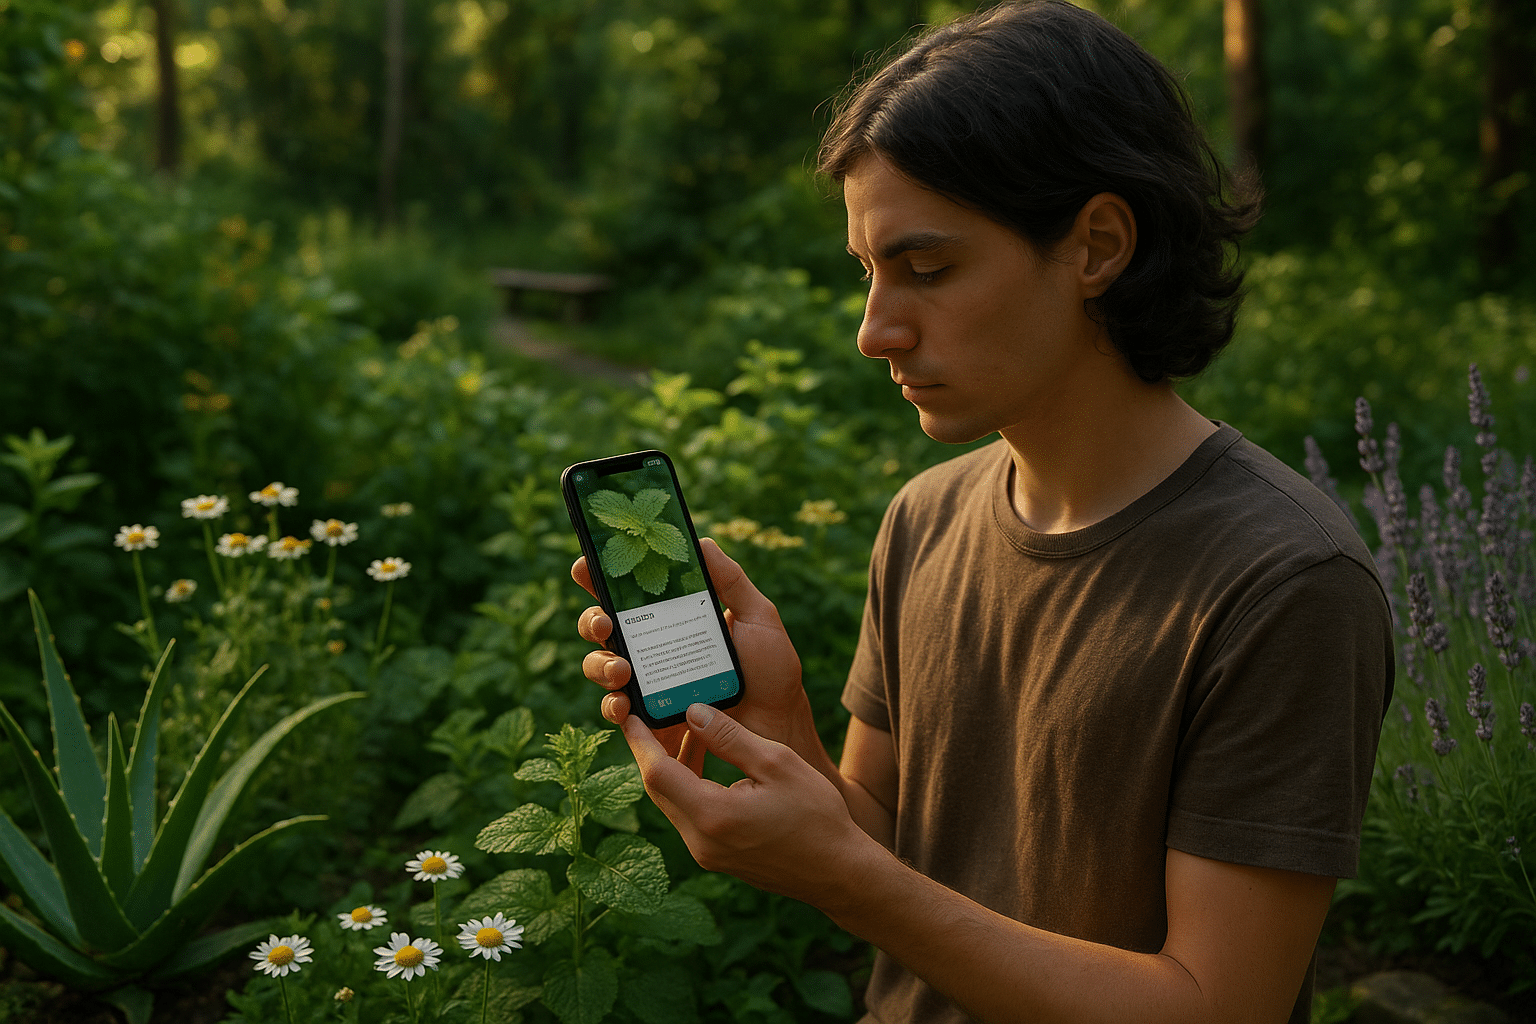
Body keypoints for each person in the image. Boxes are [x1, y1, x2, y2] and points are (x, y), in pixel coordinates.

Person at [573, 3, 1393, 1022]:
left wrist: (844, 874)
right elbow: (901, 858)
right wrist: (786, 739)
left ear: (1098, 245)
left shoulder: (1283, 580)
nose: (875, 331)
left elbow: (1215, 1004)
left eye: (927, 270)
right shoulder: (925, 518)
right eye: (867, 275)